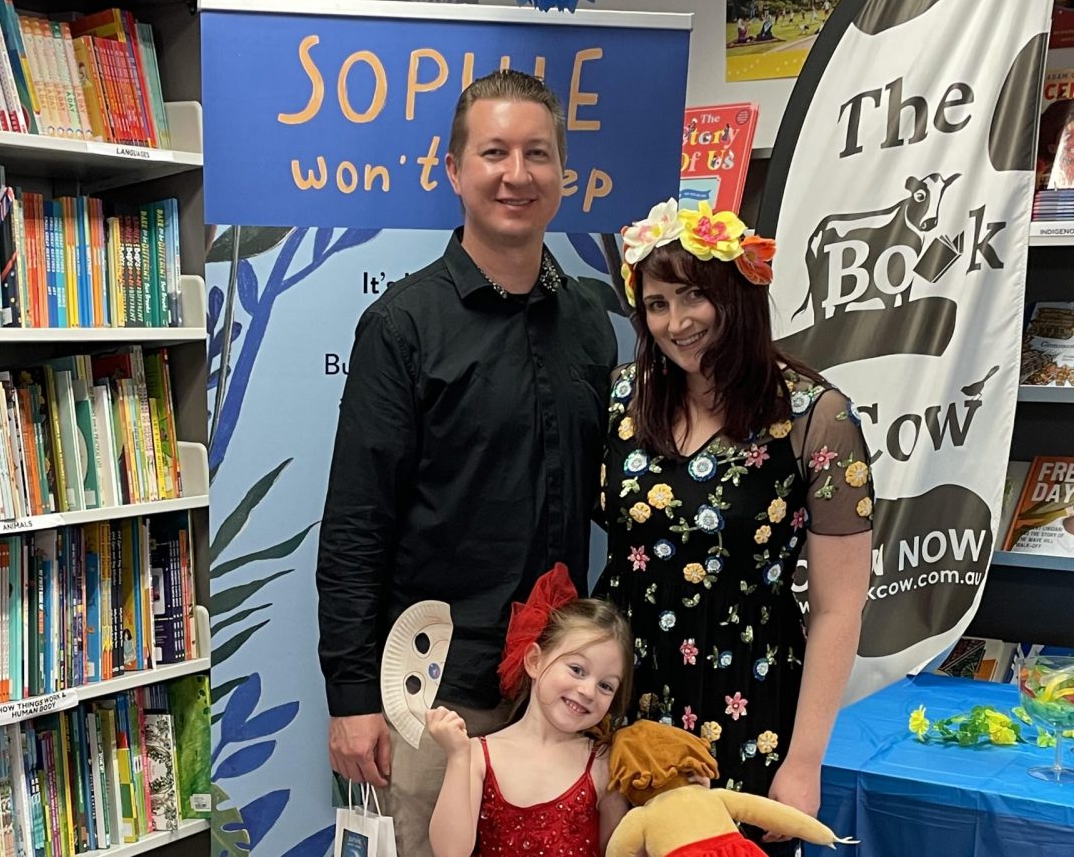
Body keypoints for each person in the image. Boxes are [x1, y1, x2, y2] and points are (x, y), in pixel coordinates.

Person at [316, 69, 617, 856]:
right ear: (452, 170)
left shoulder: (590, 319)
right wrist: (351, 698)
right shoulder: (402, 325)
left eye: (537, 154)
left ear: (563, 175)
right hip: (436, 693)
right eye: (493, 152)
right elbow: (356, 522)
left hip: (562, 687)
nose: (516, 175)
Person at [595, 200, 873, 856]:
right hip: (625, 698)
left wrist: (804, 762)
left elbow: (840, 607)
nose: (675, 322)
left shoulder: (815, 417)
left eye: (694, 296)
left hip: (750, 702)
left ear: (739, 295)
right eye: (657, 304)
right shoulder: (621, 400)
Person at [425, 563, 632, 857]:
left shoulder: (603, 763)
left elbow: (621, 851)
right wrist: (457, 756)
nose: (588, 691)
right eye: (576, 669)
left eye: (606, 686)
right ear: (534, 661)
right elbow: (450, 852)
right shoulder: (477, 755)